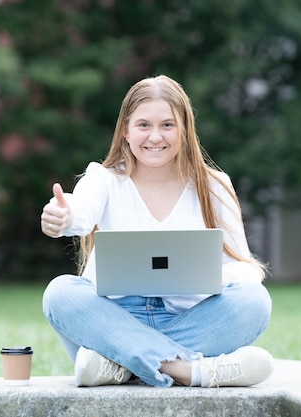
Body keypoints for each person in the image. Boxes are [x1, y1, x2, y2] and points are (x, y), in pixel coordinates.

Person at [40, 75, 273, 388]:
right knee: (60, 293)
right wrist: (62, 216)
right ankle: (193, 371)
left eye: (167, 125)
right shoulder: (103, 180)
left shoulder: (214, 185)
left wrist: (220, 279)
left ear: (184, 129)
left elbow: (245, 266)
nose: (155, 136)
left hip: (189, 319)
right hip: (114, 319)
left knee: (255, 301)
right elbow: (78, 213)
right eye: (143, 125)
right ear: (125, 130)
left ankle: (121, 366)